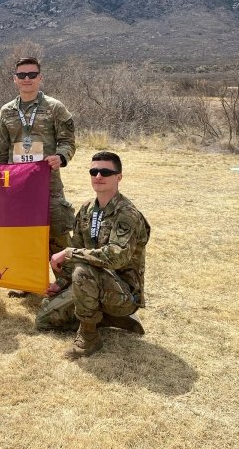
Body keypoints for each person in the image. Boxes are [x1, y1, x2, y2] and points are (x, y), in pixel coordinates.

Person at [35, 151, 150, 357]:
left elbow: (116, 256)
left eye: (105, 172)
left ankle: (89, 337)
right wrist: (59, 284)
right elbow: (78, 247)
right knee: (44, 319)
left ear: (118, 177)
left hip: (123, 294)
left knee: (82, 269)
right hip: (91, 282)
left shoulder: (127, 214)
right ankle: (105, 318)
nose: (98, 176)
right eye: (94, 171)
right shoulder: (87, 209)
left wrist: (70, 253)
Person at [0, 57, 76, 297]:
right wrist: (3, 182)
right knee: (24, 236)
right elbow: (3, 150)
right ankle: (27, 282)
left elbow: (68, 141)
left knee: (58, 234)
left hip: (47, 184)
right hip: (19, 187)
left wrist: (61, 157)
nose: (27, 79)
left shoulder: (55, 108)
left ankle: (67, 285)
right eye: (22, 75)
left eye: (32, 74)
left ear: (40, 77)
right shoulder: (6, 111)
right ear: (15, 79)